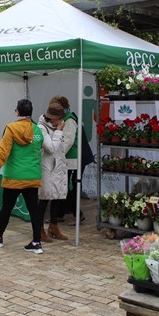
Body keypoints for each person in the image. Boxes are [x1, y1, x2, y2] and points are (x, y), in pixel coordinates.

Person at [0, 99, 45, 254]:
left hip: (14, 177)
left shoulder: (10, 128)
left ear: (17, 112)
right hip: (32, 175)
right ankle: (36, 242)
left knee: (7, 208)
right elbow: (39, 149)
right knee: (34, 211)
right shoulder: (37, 130)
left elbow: (2, 153)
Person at [50, 95, 86, 226]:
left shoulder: (70, 120)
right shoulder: (65, 118)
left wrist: (56, 153)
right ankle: (60, 213)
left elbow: (68, 141)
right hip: (67, 158)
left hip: (72, 159)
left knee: (69, 188)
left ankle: (78, 214)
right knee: (64, 186)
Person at [37, 102, 69, 242]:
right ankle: (38, 229)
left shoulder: (56, 127)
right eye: (59, 118)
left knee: (58, 197)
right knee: (44, 198)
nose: (61, 121)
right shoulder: (41, 128)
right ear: (52, 117)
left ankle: (53, 226)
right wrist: (59, 131)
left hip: (58, 167)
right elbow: (50, 148)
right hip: (47, 168)